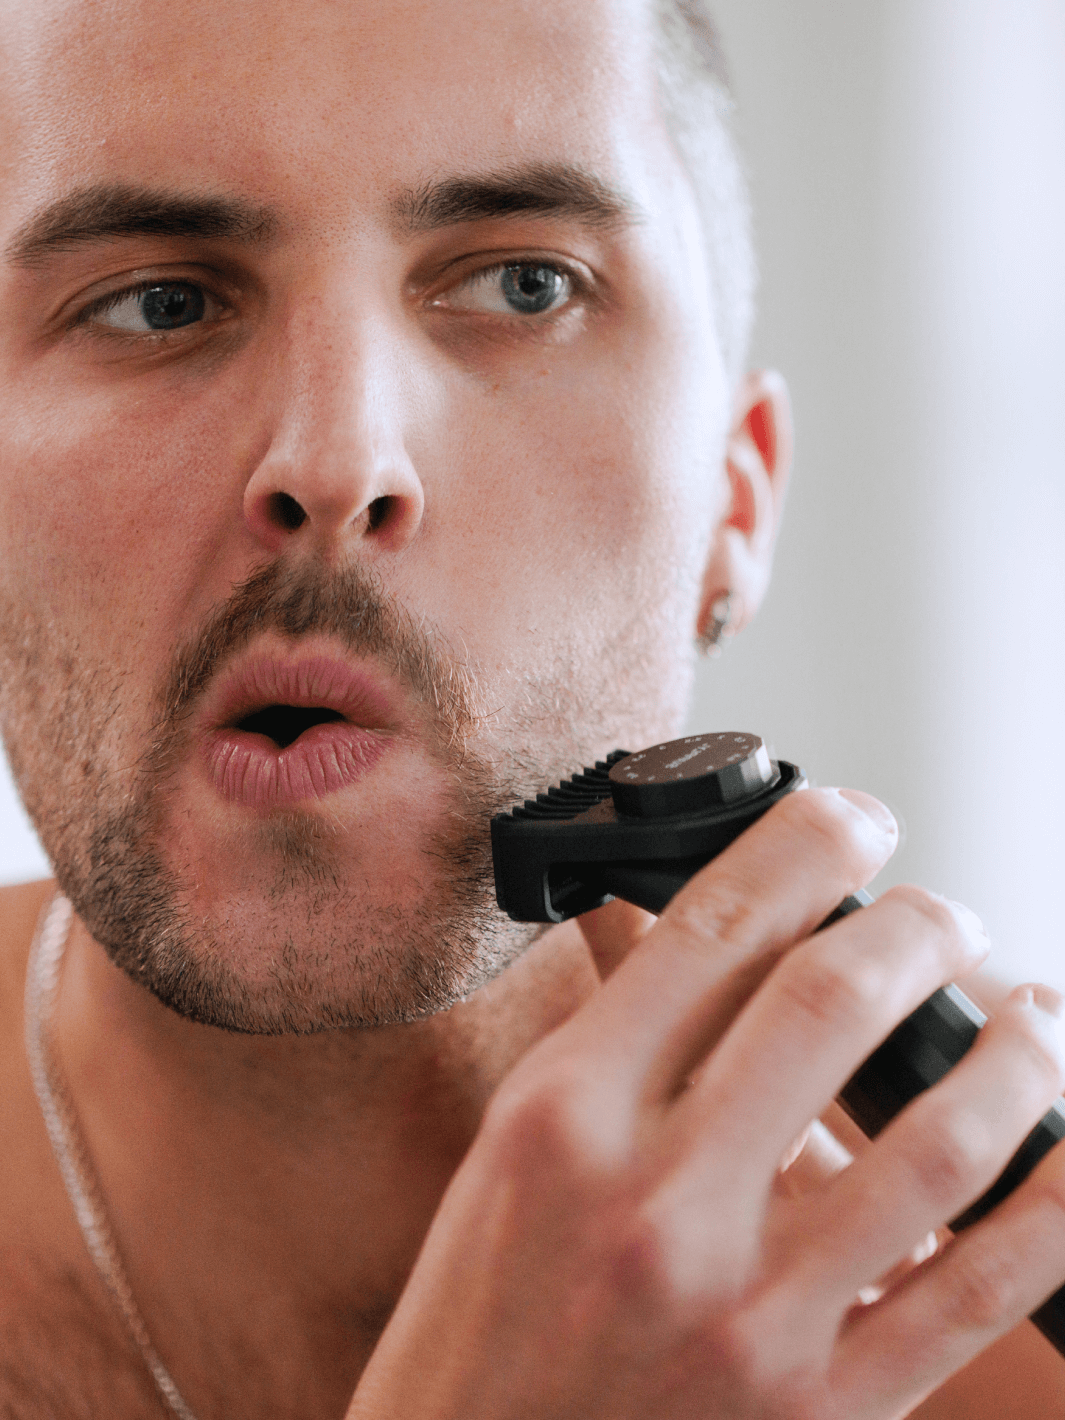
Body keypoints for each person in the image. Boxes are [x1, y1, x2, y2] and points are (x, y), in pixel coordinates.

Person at [0, 0, 1063, 1414]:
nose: (337, 459)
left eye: (521, 285)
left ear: (733, 506)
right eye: (161, 302)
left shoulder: (999, 1336)